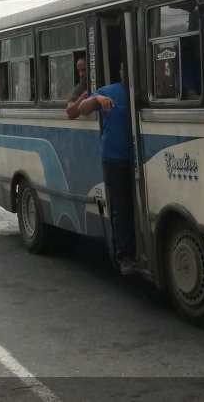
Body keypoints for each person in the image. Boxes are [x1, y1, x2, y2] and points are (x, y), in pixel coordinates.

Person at [76, 63, 136, 275]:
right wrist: (96, 99)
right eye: (123, 68)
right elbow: (81, 109)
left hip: (142, 159)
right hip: (115, 158)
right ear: (120, 72)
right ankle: (125, 256)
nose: (126, 72)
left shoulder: (145, 92)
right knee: (122, 207)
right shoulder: (110, 91)